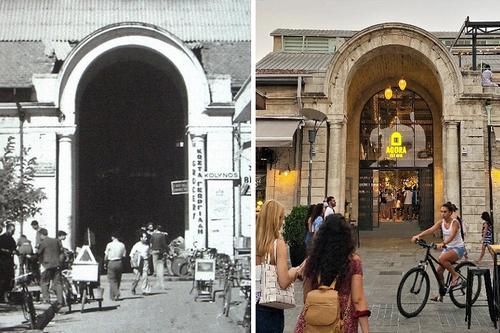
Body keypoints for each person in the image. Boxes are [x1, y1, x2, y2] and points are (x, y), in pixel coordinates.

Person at [296, 214, 370, 333]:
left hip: (314, 322)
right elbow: (358, 300)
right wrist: (366, 330)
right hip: (341, 320)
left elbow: (306, 297)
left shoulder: (312, 260)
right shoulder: (353, 261)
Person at [256, 199, 305, 333]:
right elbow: (283, 281)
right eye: (281, 217)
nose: (282, 221)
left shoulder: (253, 241)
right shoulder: (277, 244)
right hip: (269, 306)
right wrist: (295, 270)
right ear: (274, 219)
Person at [411, 202, 465, 302]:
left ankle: (455, 275)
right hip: (448, 248)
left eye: (445, 212)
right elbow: (430, 230)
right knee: (438, 272)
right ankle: (442, 294)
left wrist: (443, 243)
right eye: (441, 212)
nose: (442, 214)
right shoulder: (441, 223)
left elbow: (452, 236)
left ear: (450, 212)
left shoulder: (455, 223)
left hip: (458, 248)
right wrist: (418, 236)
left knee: (441, 259)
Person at [37, 228, 64, 306]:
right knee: (58, 283)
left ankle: (46, 300)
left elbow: (39, 253)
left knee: (44, 282)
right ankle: (60, 301)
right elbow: (61, 251)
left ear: (41, 235)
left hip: (47, 265)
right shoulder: (56, 241)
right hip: (57, 265)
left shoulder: (43, 242)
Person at [104, 233, 126, 301]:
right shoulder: (122, 245)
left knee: (112, 279)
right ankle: (112, 296)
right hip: (119, 262)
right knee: (118, 279)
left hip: (111, 262)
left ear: (112, 237)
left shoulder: (109, 245)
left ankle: (116, 293)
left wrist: (105, 263)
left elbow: (106, 255)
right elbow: (124, 255)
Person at [130, 231, 152, 295]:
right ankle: (133, 288)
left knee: (145, 276)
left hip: (145, 261)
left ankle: (145, 290)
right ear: (141, 238)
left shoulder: (147, 246)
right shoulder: (136, 245)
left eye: (146, 237)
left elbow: (149, 254)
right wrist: (133, 262)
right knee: (137, 277)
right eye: (144, 237)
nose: (146, 239)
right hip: (137, 263)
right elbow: (131, 254)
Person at [0, 223, 17, 303]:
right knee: (3, 279)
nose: (13, 232)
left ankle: (6, 296)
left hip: (9, 262)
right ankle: (3, 296)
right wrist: (8, 251)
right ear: (8, 229)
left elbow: (14, 248)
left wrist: (14, 251)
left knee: (9, 279)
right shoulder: (1, 238)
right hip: (2, 262)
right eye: (13, 230)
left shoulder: (12, 239)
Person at [150, 225, 169, 290]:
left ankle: (155, 272)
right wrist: (166, 250)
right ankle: (160, 273)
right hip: (160, 250)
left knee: (154, 262)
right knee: (160, 263)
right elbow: (164, 244)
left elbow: (151, 243)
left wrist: (151, 249)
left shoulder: (153, 235)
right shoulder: (162, 235)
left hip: (154, 250)